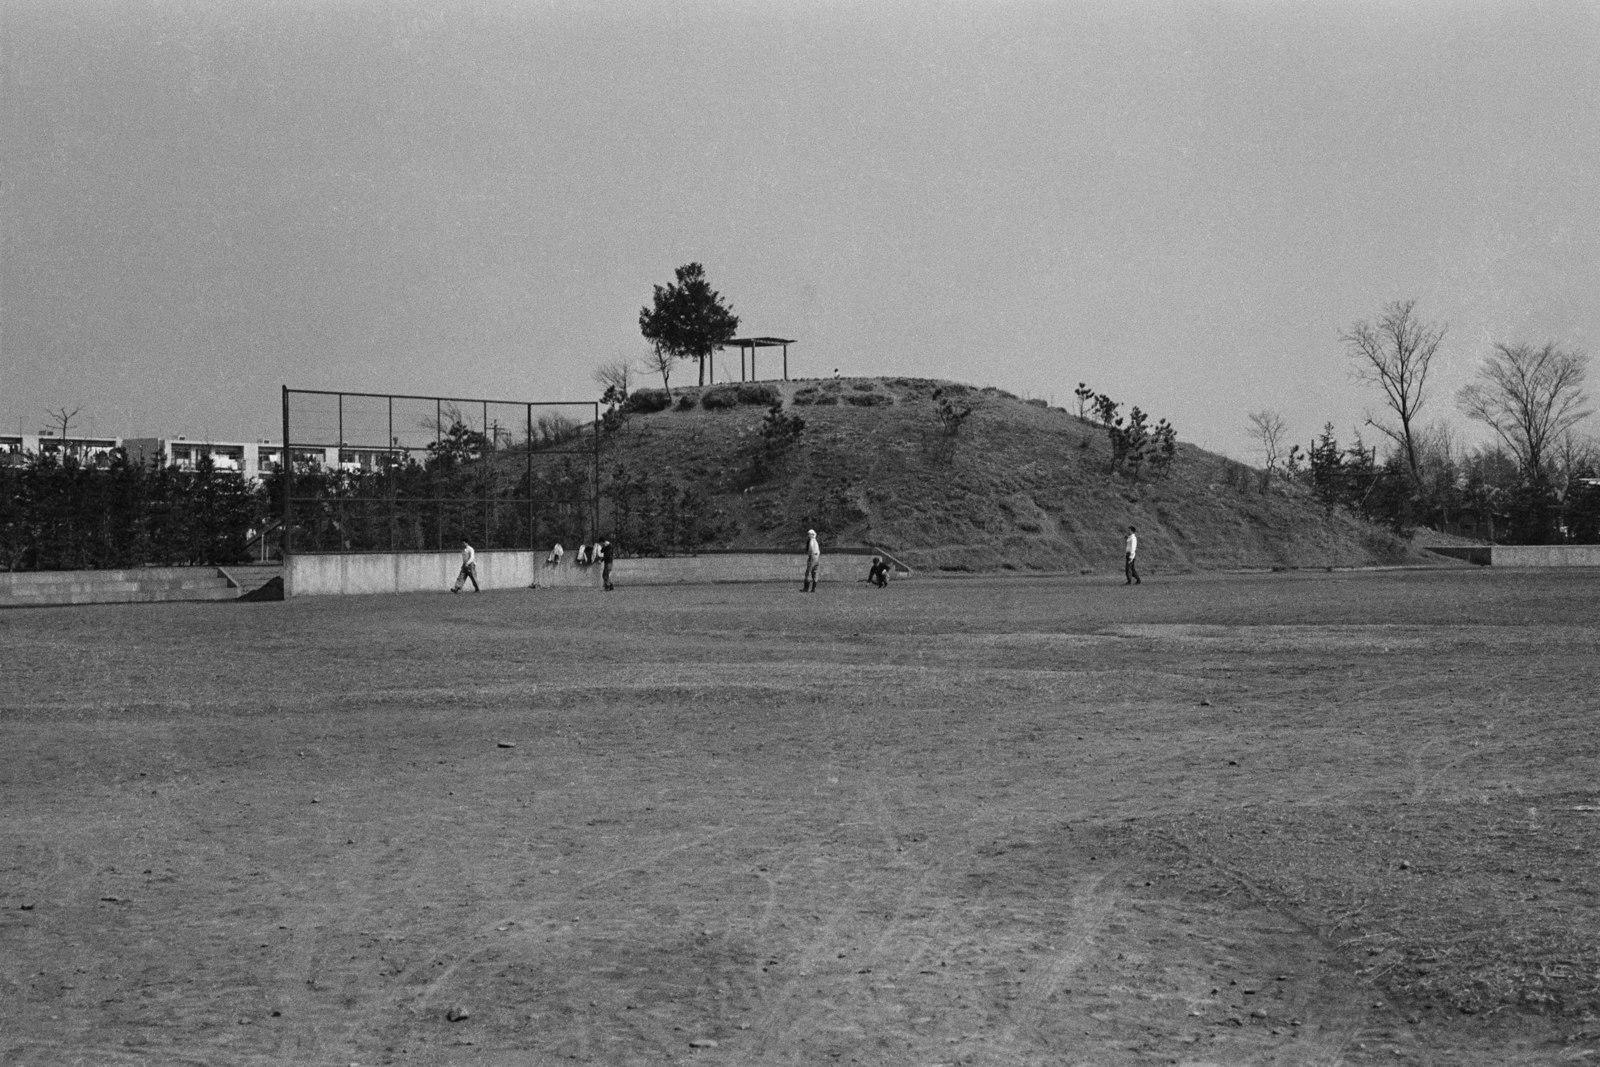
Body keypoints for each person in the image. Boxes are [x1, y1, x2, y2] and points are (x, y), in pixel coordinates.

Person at [802, 528, 821, 592]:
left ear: (812, 535)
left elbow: (810, 549)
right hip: (817, 558)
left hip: (812, 557)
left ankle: (806, 588)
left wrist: (810, 555)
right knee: (815, 573)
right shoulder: (816, 541)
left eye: (809, 534)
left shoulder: (811, 541)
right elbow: (818, 551)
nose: (809, 535)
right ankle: (813, 588)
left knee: (808, 573)